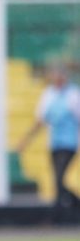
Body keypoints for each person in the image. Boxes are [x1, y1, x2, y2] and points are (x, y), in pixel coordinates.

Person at [16, 66, 80, 224]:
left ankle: (55, 217)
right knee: (58, 181)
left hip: (69, 143)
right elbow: (41, 120)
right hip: (55, 144)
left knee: (59, 179)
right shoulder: (49, 94)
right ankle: (60, 215)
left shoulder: (73, 94)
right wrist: (26, 139)